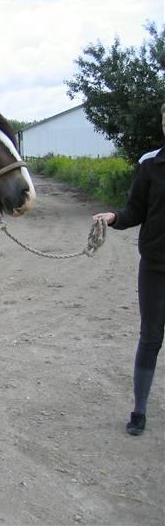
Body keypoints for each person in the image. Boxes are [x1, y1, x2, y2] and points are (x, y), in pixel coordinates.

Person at [94, 103, 165, 436]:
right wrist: (114, 218)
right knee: (150, 337)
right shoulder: (151, 164)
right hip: (156, 266)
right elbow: (135, 209)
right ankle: (139, 411)